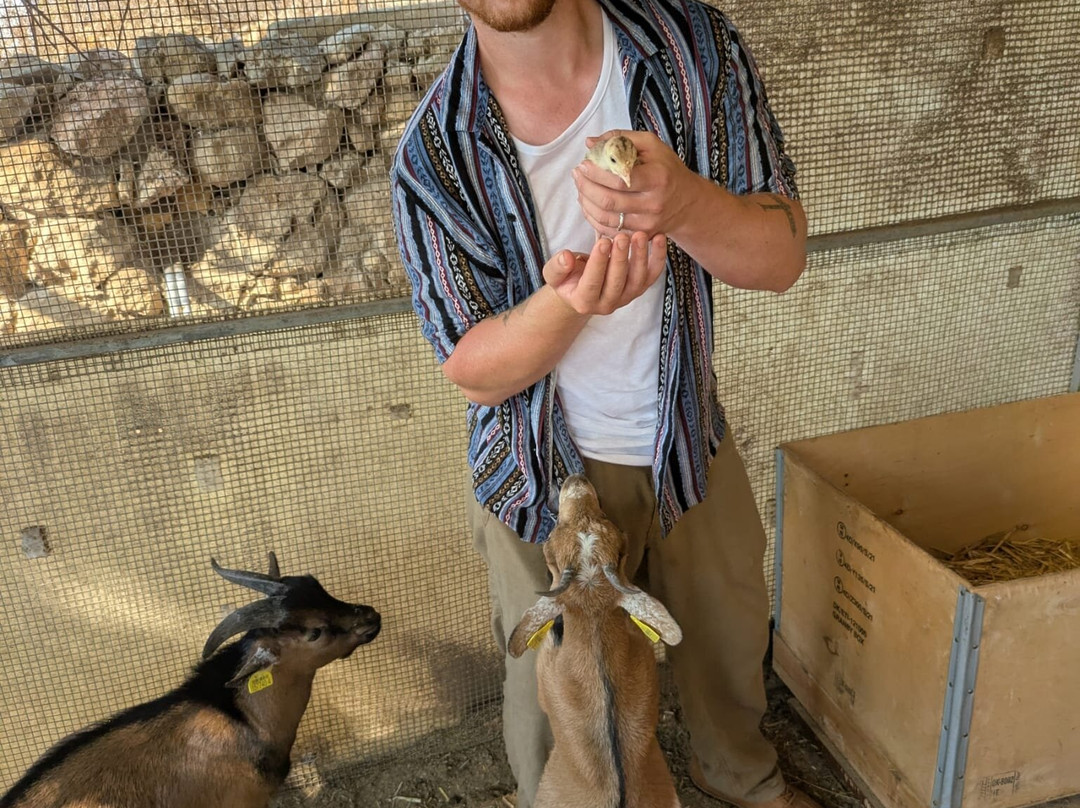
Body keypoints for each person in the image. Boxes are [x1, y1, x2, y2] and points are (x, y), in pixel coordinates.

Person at [390, 0, 810, 804]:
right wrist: (574, 302)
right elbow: (474, 369)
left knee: (728, 647)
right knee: (564, 714)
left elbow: (781, 254)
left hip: (686, 438)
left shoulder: (689, 50)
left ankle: (743, 785)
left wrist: (684, 202)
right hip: (537, 470)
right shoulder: (434, 155)